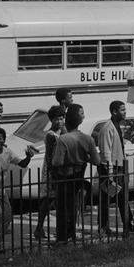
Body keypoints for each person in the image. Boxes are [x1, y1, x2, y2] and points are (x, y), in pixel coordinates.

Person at [51, 104, 101, 243]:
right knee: (73, 205)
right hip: (79, 174)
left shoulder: (64, 139)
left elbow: (57, 162)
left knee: (62, 207)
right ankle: (72, 233)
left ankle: (62, 237)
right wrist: (83, 158)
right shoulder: (88, 139)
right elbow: (96, 161)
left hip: (64, 176)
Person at [96, 101, 134, 236]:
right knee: (106, 199)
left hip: (119, 167)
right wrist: (110, 173)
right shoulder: (108, 128)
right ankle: (103, 226)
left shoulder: (117, 126)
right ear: (114, 112)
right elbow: (106, 152)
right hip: (111, 169)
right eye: (122, 110)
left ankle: (128, 224)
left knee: (123, 197)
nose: (125, 112)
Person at [34, 105, 66, 240]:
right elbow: (49, 155)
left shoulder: (61, 131)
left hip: (57, 168)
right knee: (48, 199)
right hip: (51, 169)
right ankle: (39, 227)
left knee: (53, 199)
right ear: (51, 120)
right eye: (56, 119)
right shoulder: (51, 135)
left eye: (61, 119)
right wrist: (52, 173)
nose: (59, 122)